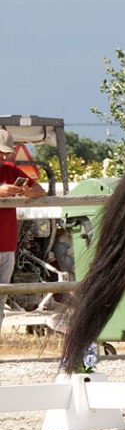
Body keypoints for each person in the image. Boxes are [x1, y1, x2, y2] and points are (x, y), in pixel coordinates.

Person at [0, 129, 47, 335]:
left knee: (1, 299)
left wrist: (29, 192)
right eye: (0, 152)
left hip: (7, 246)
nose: (4, 156)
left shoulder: (11, 169)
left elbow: (40, 190)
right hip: (7, 245)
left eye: (6, 153)